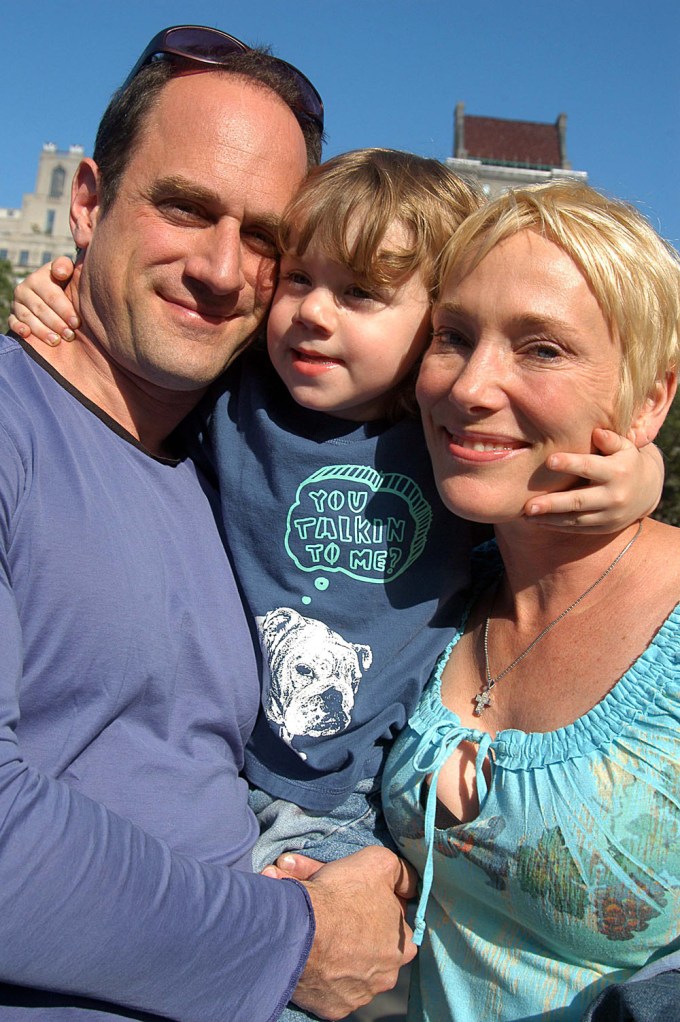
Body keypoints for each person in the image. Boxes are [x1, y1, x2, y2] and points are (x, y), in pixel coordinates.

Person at [11, 147, 664, 902]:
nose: (313, 314)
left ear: (432, 329)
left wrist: (637, 478)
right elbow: (142, 347)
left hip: (354, 805)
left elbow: (540, 483)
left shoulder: (445, 440)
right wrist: (56, 289)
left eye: (360, 294)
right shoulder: (236, 395)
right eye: (298, 280)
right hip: (207, 765)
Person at [0, 25, 419, 1022]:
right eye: (184, 208)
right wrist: (295, 940)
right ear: (87, 204)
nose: (224, 269)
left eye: (268, 237)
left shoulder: (224, 463)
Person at [374, 181, 680, 1020]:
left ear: (651, 396)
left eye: (541, 348)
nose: (471, 387)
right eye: (454, 337)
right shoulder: (422, 583)